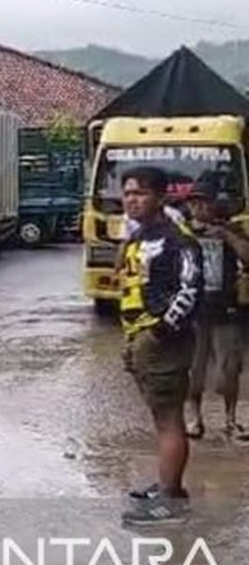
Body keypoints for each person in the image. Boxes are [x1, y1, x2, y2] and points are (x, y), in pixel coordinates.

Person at [117, 166, 203, 525]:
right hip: (141, 336)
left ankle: (170, 500)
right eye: (127, 193)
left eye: (140, 193)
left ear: (160, 197)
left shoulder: (177, 238)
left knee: (169, 420)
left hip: (162, 340)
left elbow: (191, 289)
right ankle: (169, 485)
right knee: (161, 418)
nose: (132, 200)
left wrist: (162, 331)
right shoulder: (141, 236)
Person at [184, 178, 249, 440]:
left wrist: (226, 235)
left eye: (204, 202)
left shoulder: (232, 229)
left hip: (226, 311)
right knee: (193, 370)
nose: (198, 208)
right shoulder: (183, 232)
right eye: (194, 203)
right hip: (194, 311)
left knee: (229, 369)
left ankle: (230, 419)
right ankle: (194, 419)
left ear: (215, 204)